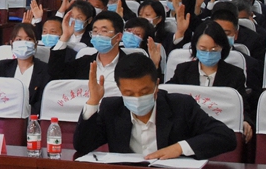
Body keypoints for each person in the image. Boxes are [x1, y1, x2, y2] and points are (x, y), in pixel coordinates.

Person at [74, 52, 237, 160]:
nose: (137, 98)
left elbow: (226, 137)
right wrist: (93, 101)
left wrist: (179, 148)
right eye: (129, 93)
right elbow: (82, 145)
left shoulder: (181, 106)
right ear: (120, 89)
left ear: (156, 85)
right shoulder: (112, 108)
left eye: (144, 91)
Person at [167, 20, 254, 142]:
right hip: (188, 130)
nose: (208, 54)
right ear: (195, 47)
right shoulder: (183, 70)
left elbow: (242, 105)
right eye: (203, 49)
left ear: (222, 48)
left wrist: (244, 121)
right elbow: (168, 95)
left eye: (214, 49)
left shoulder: (235, 74)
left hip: (221, 130)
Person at [49, 11, 162, 96]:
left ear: (118, 36)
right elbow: (55, 73)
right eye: (95, 31)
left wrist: (155, 66)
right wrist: (64, 37)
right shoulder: (84, 62)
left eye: (104, 31)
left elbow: (148, 91)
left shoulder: (133, 64)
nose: (98, 35)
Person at [0, 23, 50, 114]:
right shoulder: (4, 66)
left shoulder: (45, 69)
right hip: (5, 115)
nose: (24, 43)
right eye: (19, 39)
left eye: (29, 39)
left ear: (35, 44)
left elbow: (45, 101)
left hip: (32, 117)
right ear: (12, 43)